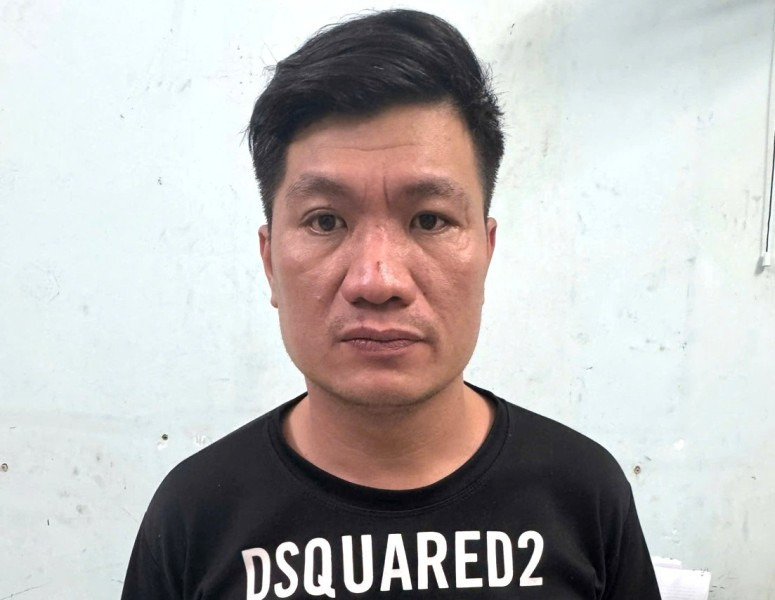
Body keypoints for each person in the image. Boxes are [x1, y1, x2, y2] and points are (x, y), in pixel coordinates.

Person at [121, 9, 661, 599]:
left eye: (429, 220)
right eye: (325, 221)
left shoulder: (582, 496)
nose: (377, 280)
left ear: (486, 251)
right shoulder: (196, 516)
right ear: (270, 260)